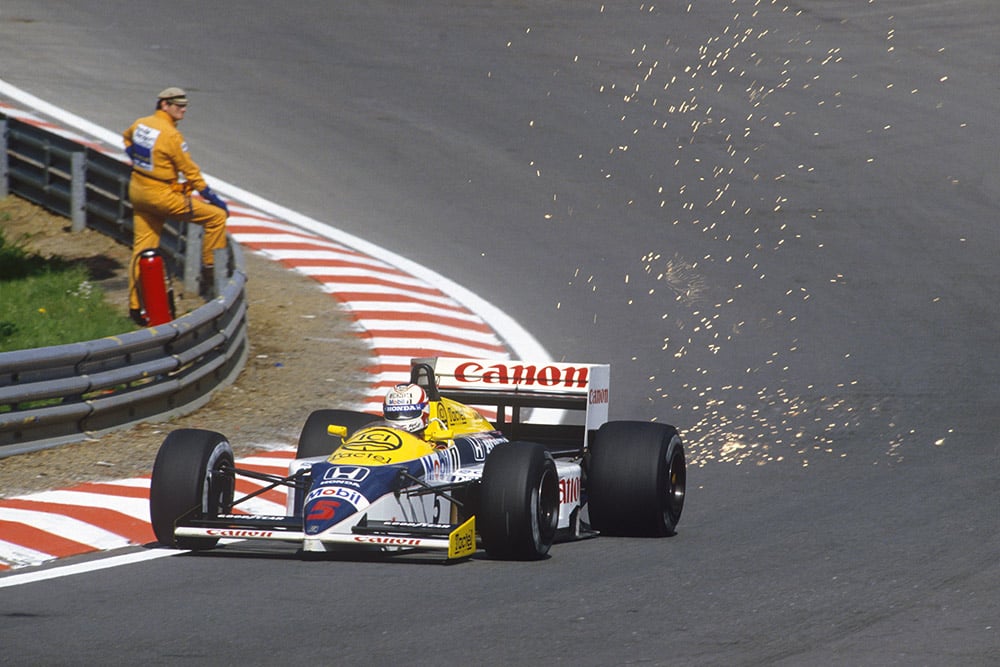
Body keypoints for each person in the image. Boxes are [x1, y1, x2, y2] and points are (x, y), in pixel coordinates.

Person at [122, 87, 229, 324]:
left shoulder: (142, 123)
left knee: (143, 248)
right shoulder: (171, 135)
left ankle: (135, 306)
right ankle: (212, 268)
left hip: (138, 189)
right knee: (216, 218)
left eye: (185, 105)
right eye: (178, 105)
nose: (183, 109)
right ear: (164, 105)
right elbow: (189, 170)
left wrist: (137, 159)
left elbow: (127, 138)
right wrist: (211, 197)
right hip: (161, 194)